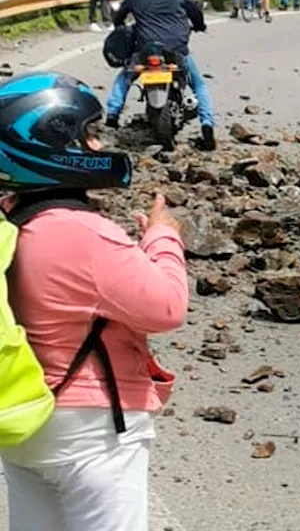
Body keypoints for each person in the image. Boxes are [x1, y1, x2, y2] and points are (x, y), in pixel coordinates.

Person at [0, 69, 187, 531]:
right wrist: (163, 236)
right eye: (89, 135)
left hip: (29, 417)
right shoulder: (80, 229)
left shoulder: (14, 224)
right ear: (53, 141)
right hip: (92, 427)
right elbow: (165, 306)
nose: (99, 147)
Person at [106, 0, 217, 151]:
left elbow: (118, 18)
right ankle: (207, 126)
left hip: (145, 51)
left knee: (124, 79)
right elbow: (196, 13)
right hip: (177, 51)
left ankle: (112, 117)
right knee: (199, 86)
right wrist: (199, 25)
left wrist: (122, 28)